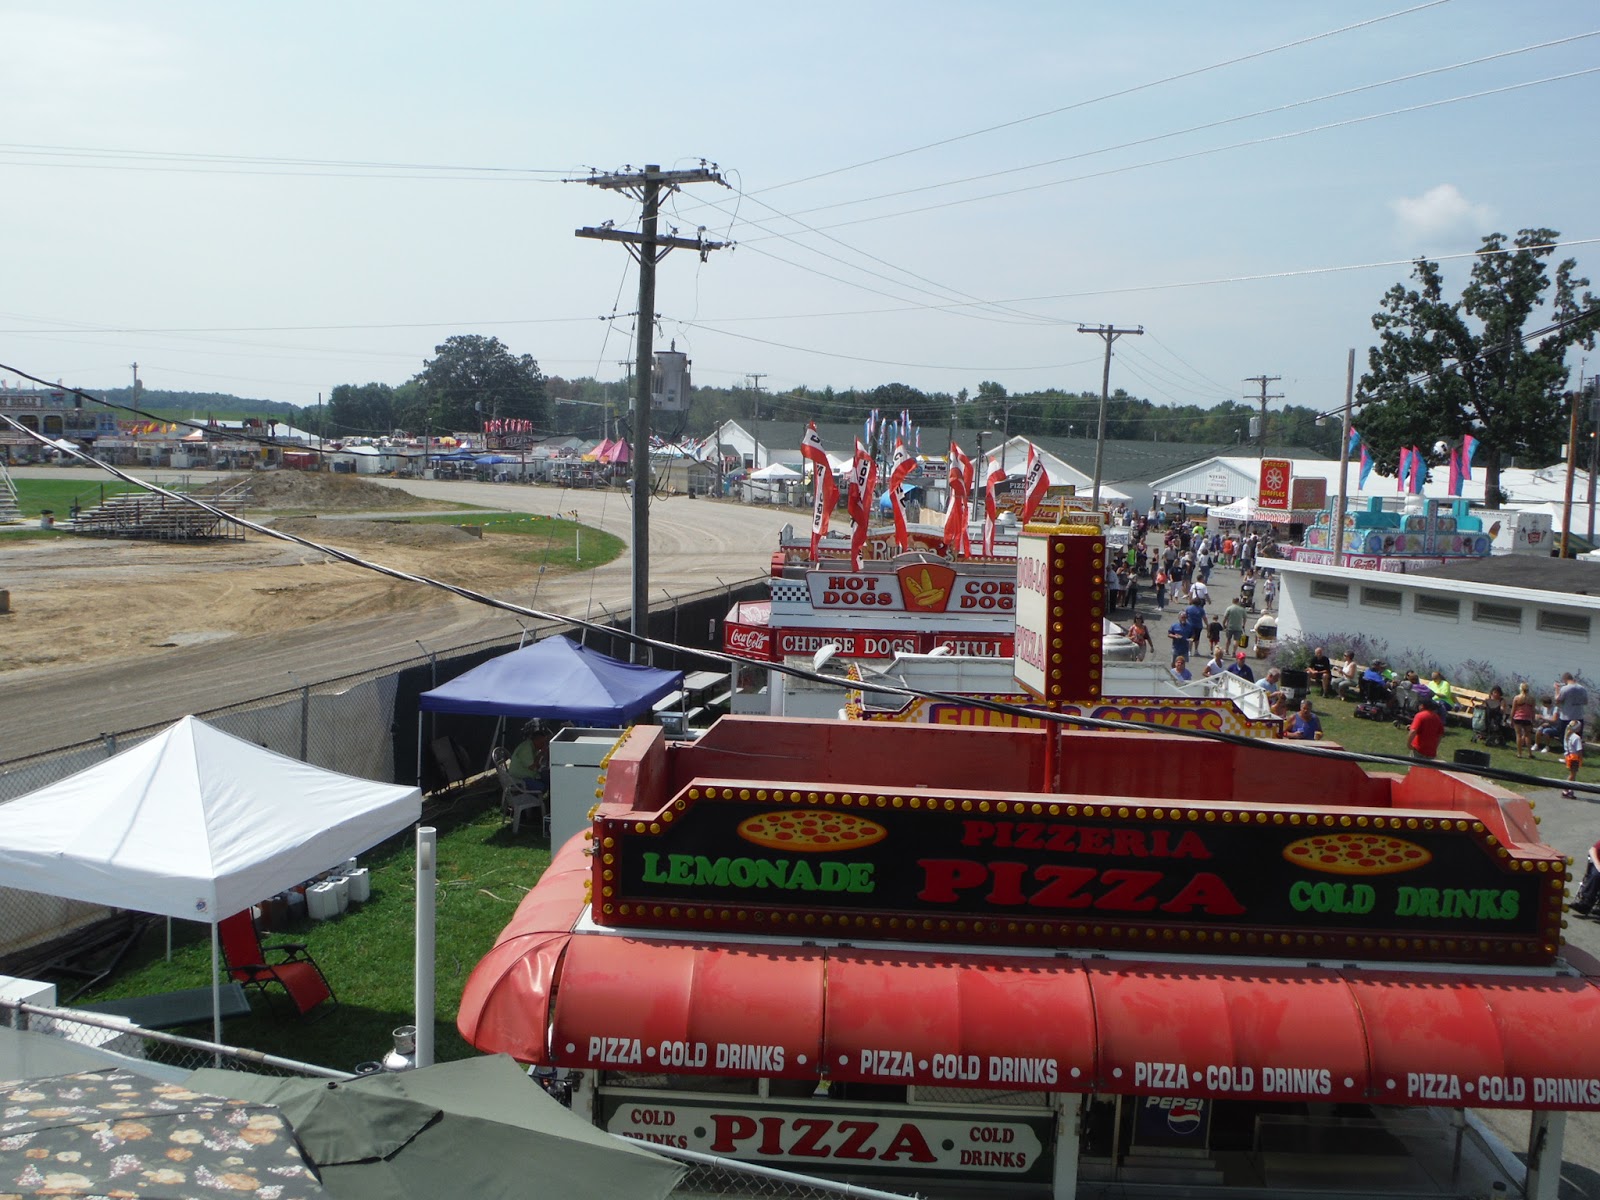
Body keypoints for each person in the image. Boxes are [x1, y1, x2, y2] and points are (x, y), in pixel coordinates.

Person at [507, 721, 550, 786]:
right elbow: (532, 767)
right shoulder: (526, 748)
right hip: (520, 777)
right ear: (536, 740)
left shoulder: (533, 747)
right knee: (543, 785)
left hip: (529, 774)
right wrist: (541, 754)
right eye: (542, 743)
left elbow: (537, 766)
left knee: (547, 777)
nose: (543, 745)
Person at [1571, 837, 1600, 916]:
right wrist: (1598, 865)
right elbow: (1592, 850)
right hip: (1598, 864)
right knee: (1597, 875)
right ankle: (1586, 903)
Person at [1511, 682, 1538, 758]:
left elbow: (1513, 710)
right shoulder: (1532, 699)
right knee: (1527, 736)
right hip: (1527, 718)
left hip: (1518, 718)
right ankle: (1530, 753)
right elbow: (1533, 711)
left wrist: (1511, 718)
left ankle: (1519, 753)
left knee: (1518, 735)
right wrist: (1533, 720)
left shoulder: (1517, 698)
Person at [1563, 721, 1586, 799]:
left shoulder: (1568, 736)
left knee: (1573, 775)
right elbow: (1579, 750)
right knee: (1572, 775)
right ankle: (1566, 790)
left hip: (1569, 756)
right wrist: (1581, 759)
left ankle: (1569, 789)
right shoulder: (1577, 737)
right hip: (1574, 757)